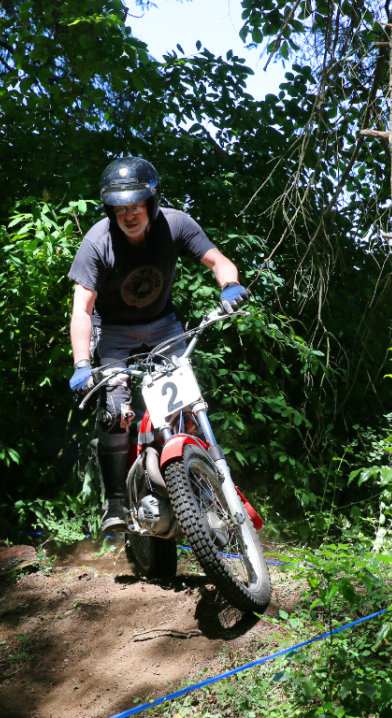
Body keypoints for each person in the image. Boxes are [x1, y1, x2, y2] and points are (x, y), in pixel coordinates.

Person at [67, 156, 249, 532]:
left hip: (163, 326)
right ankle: (116, 502)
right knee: (116, 412)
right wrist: (82, 364)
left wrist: (229, 285)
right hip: (114, 331)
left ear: (150, 202)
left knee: (186, 406)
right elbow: (82, 308)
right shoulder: (97, 241)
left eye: (136, 205)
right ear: (110, 209)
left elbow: (217, 261)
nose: (129, 214)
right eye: (121, 208)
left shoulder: (176, 224)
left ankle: (203, 491)